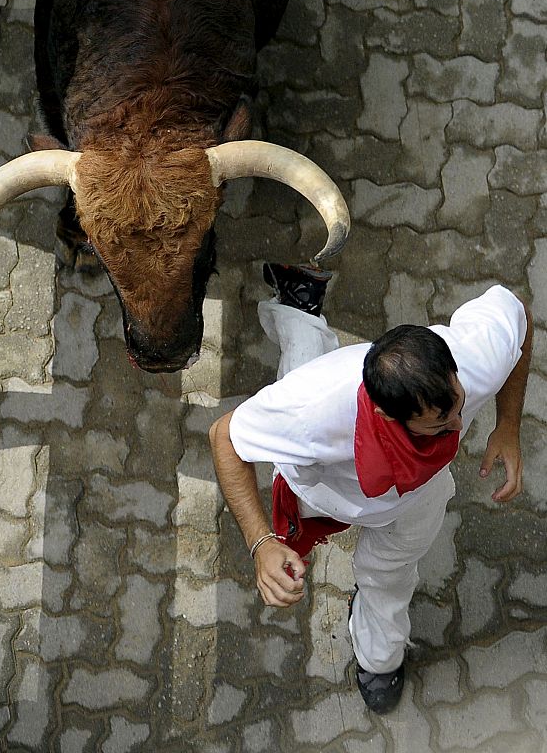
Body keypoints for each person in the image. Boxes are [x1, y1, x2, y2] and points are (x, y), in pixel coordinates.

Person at [209, 263, 532, 714]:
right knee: (297, 375)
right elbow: (225, 438)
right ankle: (298, 306)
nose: (458, 429)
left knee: (386, 576)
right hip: (317, 489)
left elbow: (517, 315)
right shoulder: (312, 412)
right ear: (385, 416)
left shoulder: (471, 362)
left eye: (458, 408)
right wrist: (261, 543)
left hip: (416, 500)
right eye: (440, 425)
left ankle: (379, 659)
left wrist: (509, 425)